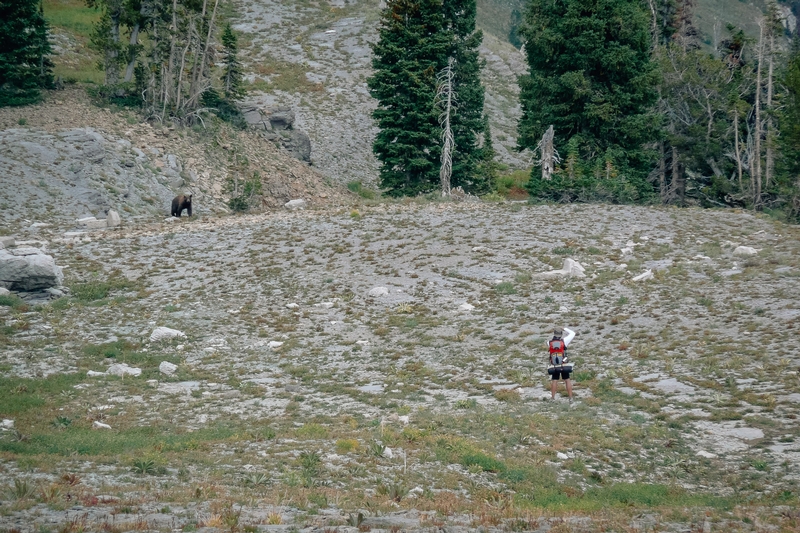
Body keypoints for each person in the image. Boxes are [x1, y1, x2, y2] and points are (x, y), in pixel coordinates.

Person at [547, 326, 575, 402]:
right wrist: (565, 328)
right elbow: (573, 333)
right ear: (561, 333)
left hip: (555, 365)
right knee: (567, 380)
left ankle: (552, 398)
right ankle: (570, 398)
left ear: (554, 333)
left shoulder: (549, 343)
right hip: (564, 364)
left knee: (554, 380)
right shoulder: (564, 341)